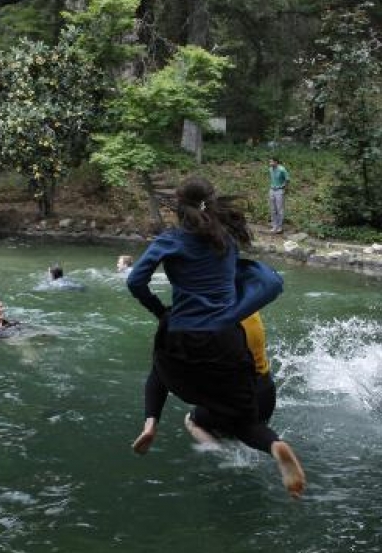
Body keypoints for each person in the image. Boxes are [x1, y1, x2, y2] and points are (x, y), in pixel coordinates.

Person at [126, 176, 305, 499]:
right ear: (213, 203)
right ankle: (275, 445)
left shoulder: (171, 240)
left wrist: (160, 311)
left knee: (159, 369)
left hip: (180, 334)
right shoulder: (227, 241)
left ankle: (150, 423)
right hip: (225, 338)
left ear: (179, 207)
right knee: (241, 422)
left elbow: (135, 281)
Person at [134, 311, 278, 453]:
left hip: (232, 404)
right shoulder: (250, 308)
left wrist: (150, 422)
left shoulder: (195, 320)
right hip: (266, 395)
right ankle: (274, 445)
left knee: (192, 420)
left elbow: (159, 373)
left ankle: (225, 456)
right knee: (248, 429)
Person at [267, 157, 289, 234]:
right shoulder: (270, 169)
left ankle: (280, 227)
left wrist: (284, 189)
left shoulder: (282, 169)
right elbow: (272, 179)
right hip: (272, 189)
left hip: (279, 190)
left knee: (279, 209)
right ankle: (274, 226)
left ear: (276, 162)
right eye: (269, 162)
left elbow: (287, 179)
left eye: (271, 162)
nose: (270, 163)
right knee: (273, 209)